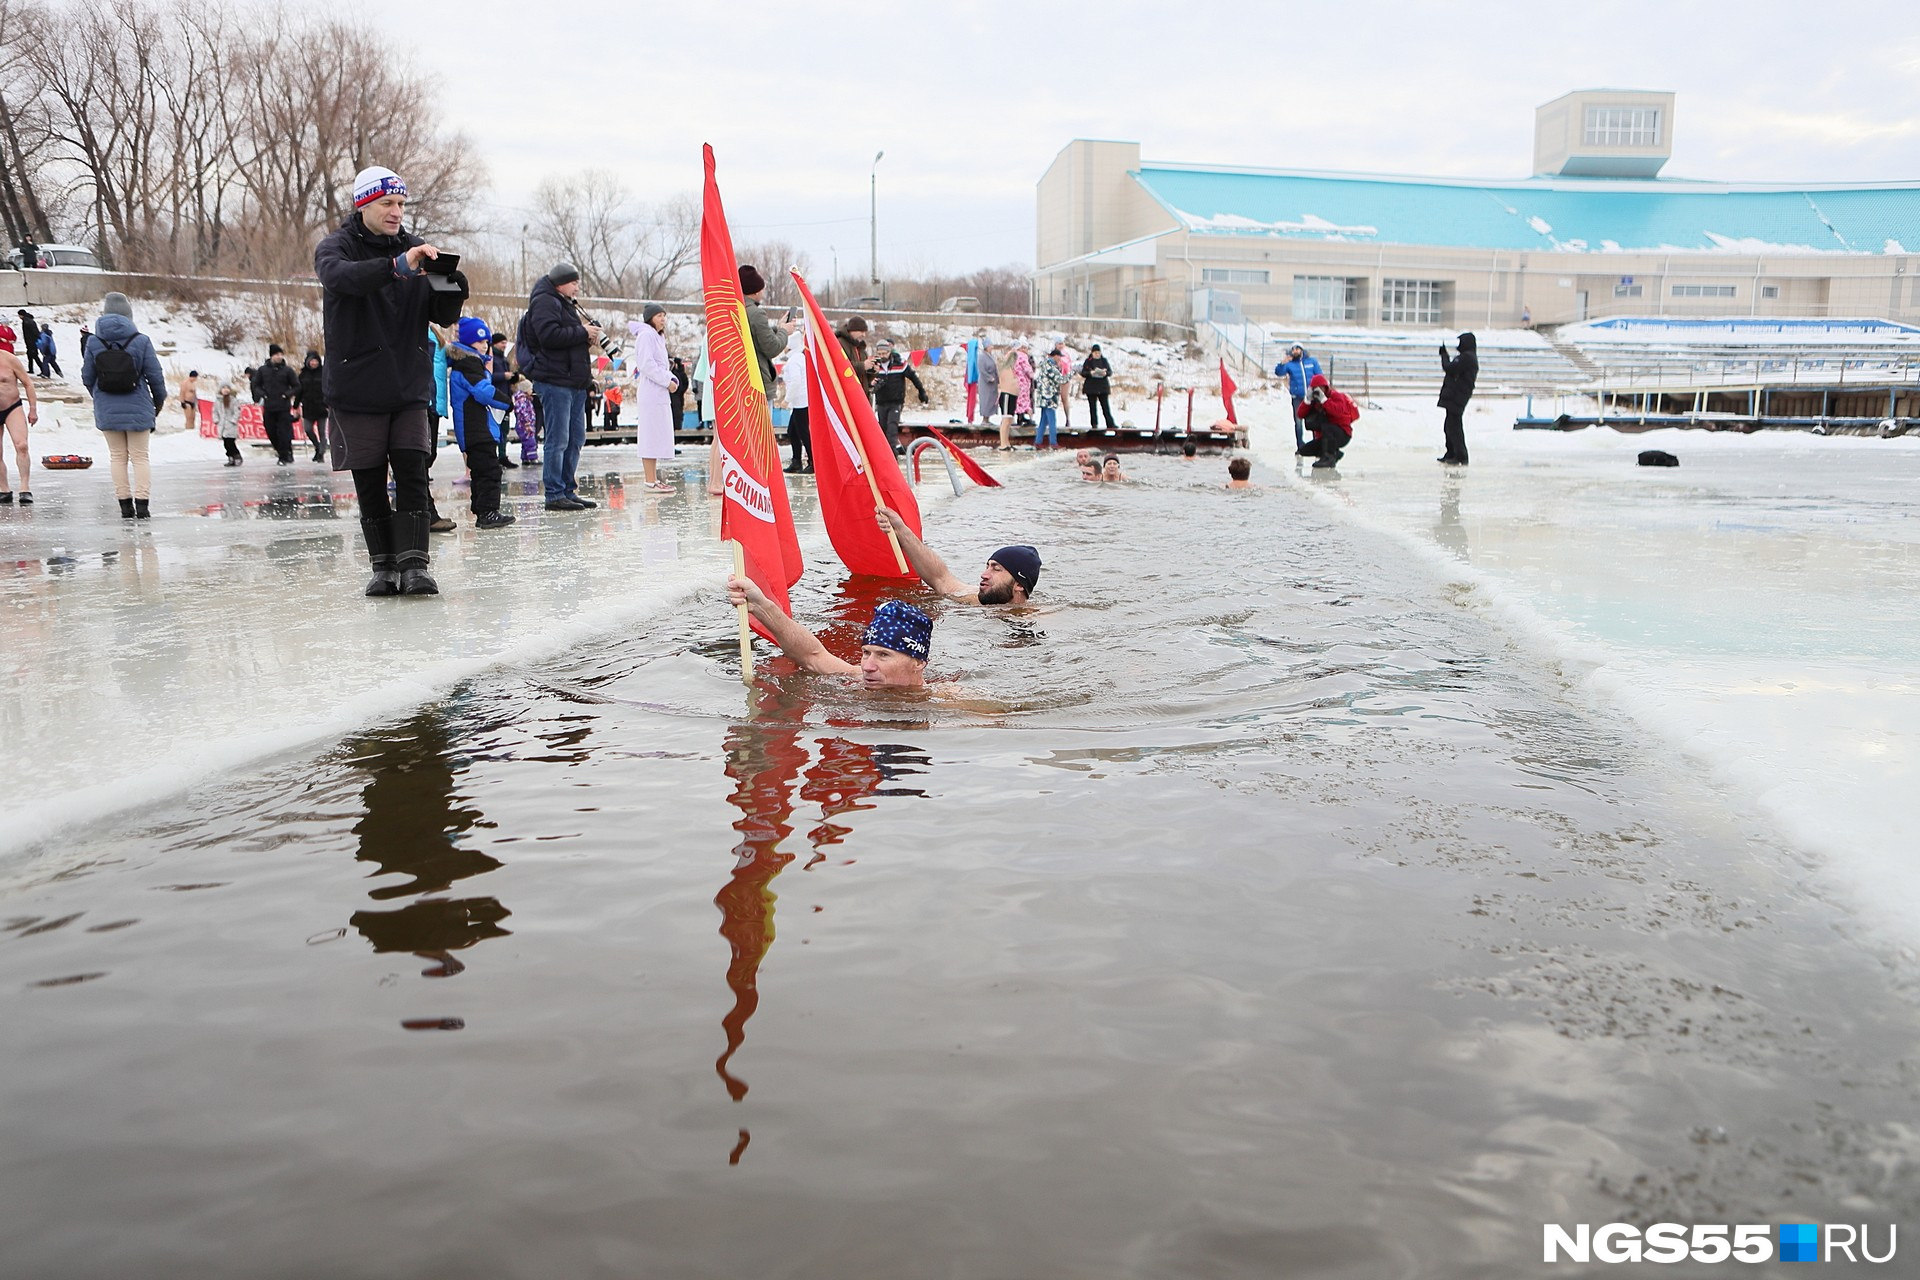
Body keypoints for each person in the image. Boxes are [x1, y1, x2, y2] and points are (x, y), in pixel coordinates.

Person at [313, 163, 469, 597]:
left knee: (413, 472)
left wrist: (453, 285)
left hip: (408, 385)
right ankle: (383, 566)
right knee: (369, 480)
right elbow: (340, 279)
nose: (396, 211)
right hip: (356, 385)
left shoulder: (418, 249)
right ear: (363, 204)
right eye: (387, 203)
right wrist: (398, 266)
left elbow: (442, 313)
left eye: (401, 203)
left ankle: (415, 564)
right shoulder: (336, 247)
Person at [728, 576, 934, 691]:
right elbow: (812, 656)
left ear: (918, 662)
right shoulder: (856, 677)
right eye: (865, 653)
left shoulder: (947, 702)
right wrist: (761, 606)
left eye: (883, 655)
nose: (867, 667)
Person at [520, 261, 601, 511]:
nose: (577, 287)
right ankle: (554, 493)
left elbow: (567, 341)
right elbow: (549, 336)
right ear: (560, 282)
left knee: (576, 437)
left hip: (573, 381)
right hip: (554, 380)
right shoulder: (545, 300)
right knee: (558, 439)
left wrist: (585, 338)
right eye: (574, 282)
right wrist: (581, 332)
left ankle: (567, 488)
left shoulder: (564, 302)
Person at [81, 291, 166, 519]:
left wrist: (100, 397)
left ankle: (125, 507)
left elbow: (87, 377)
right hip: (138, 406)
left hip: (107, 409)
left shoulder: (93, 341)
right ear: (129, 315)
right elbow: (155, 378)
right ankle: (143, 506)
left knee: (117, 457)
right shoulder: (141, 341)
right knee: (140, 457)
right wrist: (156, 405)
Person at [875, 505, 1041, 606]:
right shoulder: (974, 599)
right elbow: (940, 579)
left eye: (996, 569)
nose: (984, 574)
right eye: (987, 566)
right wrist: (902, 531)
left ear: (1019, 585)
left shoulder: (1037, 617)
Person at [445, 316, 514, 529]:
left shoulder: (470, 363)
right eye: (480, 342)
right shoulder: (468, 364)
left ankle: (482, 509)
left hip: (477, 429)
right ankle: (488, 512)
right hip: (477, 429)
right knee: (489, 471)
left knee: (482, 471)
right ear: (468, 342)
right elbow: (483, 392)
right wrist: (506, 402)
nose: (485, 346)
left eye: (487, 343)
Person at [631, 303, 677, 492]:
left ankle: (653, 477)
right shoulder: (646, 335)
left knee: (657, 434)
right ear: (650, 318)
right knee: (650, 434)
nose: (662, 319)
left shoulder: (657, 337)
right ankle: (649, 480)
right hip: (652, 391)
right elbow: (647, 364)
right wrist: (667, 380)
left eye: (664, 315)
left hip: (658, 392)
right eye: (658, 315)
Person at [0, 323, 37, 504]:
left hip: (12, 407)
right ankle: (4, 489)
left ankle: (25, 488)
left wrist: (33, 409)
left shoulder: (9, 359)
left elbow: (28, 383)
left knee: (21, 445)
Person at [869, 337, 926, 455]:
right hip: (881, 402)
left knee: (892, 429)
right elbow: (867, 382)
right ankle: (884, 456)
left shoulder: (900, 364)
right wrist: (873, 385)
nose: (882, 356)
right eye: (879, 353)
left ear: (889, 352)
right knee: (882, 429)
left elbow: (913, 376)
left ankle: (893, 456)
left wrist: (921, 391)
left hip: (896, 401)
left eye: (884, 353)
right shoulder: (874, 365)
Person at [739, 265, 788, 391]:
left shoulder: (736, 310)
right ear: (755, 291)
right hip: (758, 383)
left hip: (741, 381)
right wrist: (784, 331)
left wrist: (778, 328)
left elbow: (754, 336)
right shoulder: (756, 314)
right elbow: (772, 347)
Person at [1295, 372, 1358, 469]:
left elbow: (1338, 412)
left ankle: (1329, 457)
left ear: (1325, 387)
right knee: (1303, 451)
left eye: (1320, 388)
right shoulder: (1314, 401)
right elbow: (1300, 414)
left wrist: (1324, 400)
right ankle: (1335, 453)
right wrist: (1307, 401)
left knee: (1327, 427)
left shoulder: (1336, 396)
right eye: (1315, 388)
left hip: (1342, 434)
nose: (1318, 391)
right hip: (1326, 438)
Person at [250, 344, 300, 464]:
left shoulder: (287, 370)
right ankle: (284, 451)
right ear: (272, 356)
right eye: (277, 354)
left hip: (283, 406)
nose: (279, 357)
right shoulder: (263, 370)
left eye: (281, 354)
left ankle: (284, 456)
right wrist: (262, 394)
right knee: (271, 431)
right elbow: (255, 384)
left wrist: (287, 394)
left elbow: (297, 386)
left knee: (283, 432)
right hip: (269, 406)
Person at [1437, 332, 1478, 465]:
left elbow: (1449, 368)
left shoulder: (1467, 358)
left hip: (1457, 397)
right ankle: (1452, 452)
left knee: (1454, 427)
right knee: (1449, 426)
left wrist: (1444, 355)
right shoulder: (1467, 357)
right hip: (1455, 396)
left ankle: (1460, 455)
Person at [778, 326, 812, 474]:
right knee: (793, 431)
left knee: (803, 432)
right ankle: (796, 460)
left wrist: (787, 400)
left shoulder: (794, 362)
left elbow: (796, 382)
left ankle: (812, 461)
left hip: (800, 402)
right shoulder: (800, 358)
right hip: (802, 402)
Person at [487, 332, 519, 468]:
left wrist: (513, 377)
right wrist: (502, 376)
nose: (505, 345)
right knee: (495, 428)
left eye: (506, 342)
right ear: (495, 344)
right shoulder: (491, 358)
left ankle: (502, 455)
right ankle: (494, 457)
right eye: (502, 343)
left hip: (505, 398)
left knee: (504, 429)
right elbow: (488, 376)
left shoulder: (504, 359)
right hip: (495, 398)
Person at [296, 351, 327, 462]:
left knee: (322, 432)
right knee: (308, 429)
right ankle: (317, 446)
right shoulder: (303, 374)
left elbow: (329, 389)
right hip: (308, 407)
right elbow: (299, 391)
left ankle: (321, 454)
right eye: (312, 361)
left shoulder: (324, 373)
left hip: (322, 406)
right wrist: (296, 405)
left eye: (316, 361)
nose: (314, 363)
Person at [1030, 344, 1063, 448]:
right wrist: (1074, 371)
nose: (1060, 359)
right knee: (1052, 420)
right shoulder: (1050, 366)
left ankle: (1038, 441)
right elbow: (1061, 379)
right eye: (1058, 356)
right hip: (1049, 398)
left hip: (1044, 397)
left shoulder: (1045, 365)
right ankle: (1053, 443)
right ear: (1053, 356)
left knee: (1043, 420)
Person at [835, 314, 873, 398]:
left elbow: (865, 378)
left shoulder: (861, 348)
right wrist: (863, 366)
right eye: (862, 332)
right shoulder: (839, 343)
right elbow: (841, 367)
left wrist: (872, 370)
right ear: (852, 330)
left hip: (862, 396)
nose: (864, 335)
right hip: (847, 395)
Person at [1080, 343, 1116, 430]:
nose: (1097, 354)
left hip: (1102, 387)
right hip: (1091, 387)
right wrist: (1090, 373)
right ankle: (1094, 424)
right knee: (1093, 408)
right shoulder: (1088, 361)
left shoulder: (1104, 361)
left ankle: (1110, 424)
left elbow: (1110, 372)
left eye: (1098, 353)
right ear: (1092, 353)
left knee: (1105, 407)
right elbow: (1083, 372)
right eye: (1095, 353)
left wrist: (1105, 373)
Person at [975, 339, 1002, 442]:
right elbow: (981, 369)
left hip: (993, 382)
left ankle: (988, 418)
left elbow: (995, 368)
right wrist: (989, 377)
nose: (992, 347)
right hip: (985, 382)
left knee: (992, 399)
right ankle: (984, 418)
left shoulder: (991, 356)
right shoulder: (982, 357)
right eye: (990, 345)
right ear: (986, 346)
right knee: (985, 399)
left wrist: (998, 379)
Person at [213, 382, 242, 464]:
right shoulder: (218, 401)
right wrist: (216, 419)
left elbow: (237, 411)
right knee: (226, 443)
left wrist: (233, 420)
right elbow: (214, 411)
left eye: (227, 388)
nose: (225, 390)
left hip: (230, 425)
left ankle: (236, 455)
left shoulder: (233, 400)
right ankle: (230, 457)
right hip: (222, 425)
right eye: (223, 388)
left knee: (230, 442)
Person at [1012, 345, 1033, 426]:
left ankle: (1019, 417)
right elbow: (1027, 369)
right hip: (1023, 382)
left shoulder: (1014, 355)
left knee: (1018, 401)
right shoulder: (1023, 356)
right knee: (1024, 400)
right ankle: (1026, 418)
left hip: (1015, 381)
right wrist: (1032, 375)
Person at [15, 311, 41, 377]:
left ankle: (43, 369)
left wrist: (33, 341)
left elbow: (34, 332)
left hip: (31, 342)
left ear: (21, 315)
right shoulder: (29, 320)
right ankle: (31, 369)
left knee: (34, 356)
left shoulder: (27, 322)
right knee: (30, 355)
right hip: (30, 342)